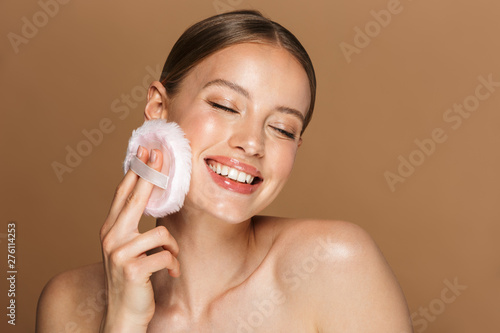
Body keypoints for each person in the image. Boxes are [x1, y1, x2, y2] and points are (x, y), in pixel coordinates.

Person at [36, 10, 413, 332]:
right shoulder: (69, 304)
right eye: (225, 106)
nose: (252, 143)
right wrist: (122, 321)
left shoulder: (335, 266)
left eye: (282, 128)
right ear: (158, 107)